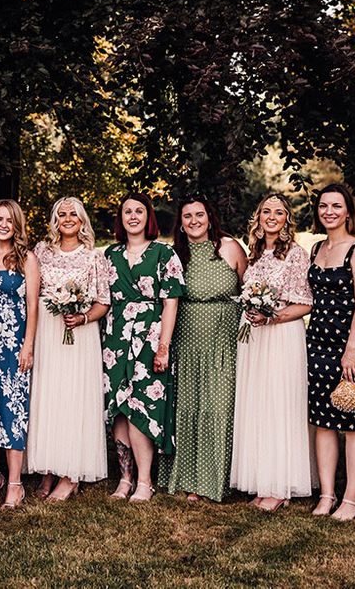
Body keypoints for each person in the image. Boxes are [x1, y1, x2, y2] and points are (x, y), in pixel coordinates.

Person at [158, 194, 247, 503]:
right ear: (180, 224)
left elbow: (249, 291)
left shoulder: (230, 248)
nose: (194, 221)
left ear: (210, 217)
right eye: (187, 216)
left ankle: (217, 479)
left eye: (199, 214)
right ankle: (186, 477)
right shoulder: (174, 255)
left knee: (218, 408)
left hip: (224, 342)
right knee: (187, 407)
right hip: (186, 341)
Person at [230, 193, 315, 511]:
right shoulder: (252, 253)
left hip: (281, 335)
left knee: (279, 404)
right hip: (253, 336)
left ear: (286, 219)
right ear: (258, 216)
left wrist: (271, 317)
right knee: (257, 404)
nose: (271, 217)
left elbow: (305, 303)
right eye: (266, 211)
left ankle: (279, 486)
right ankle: (260, 480)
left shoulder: (295, 253)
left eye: (278, 212)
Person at [102, 192, 185, 502]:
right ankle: (125, 478)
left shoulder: (164, 254)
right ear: (121, 218)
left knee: (142, 408)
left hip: (150, 337)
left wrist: (163, 346)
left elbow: (171, 303)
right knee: (119, 408)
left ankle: (145, 481)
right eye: (127, 212)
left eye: (139, 211)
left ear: (148, 217)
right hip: (115, 338)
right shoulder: (109, 255)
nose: (133, 216)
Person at [27, 197, 110, 501]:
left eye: (73, 214)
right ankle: (49, 466)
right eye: (61, 214)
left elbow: (103, 300)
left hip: (79, 333)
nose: (67, 218)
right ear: (55, 220)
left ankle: (70, 473)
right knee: (48, 397)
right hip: (47, 331)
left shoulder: (93, 257)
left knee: (73, 398)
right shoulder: (41, 251)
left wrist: (84, 317)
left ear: (82, 218)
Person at [307, 184, 355, 521]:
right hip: (316, 342)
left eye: (336, 206)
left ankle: (351, 498)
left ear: (348, 211)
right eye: (323, 206)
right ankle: (326, 494)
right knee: (322, 421)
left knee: (353, 420)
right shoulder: (317, 247)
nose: (329, 212)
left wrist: (351, 351)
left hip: (351, 345)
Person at [0, 199, 40, 509]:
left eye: (9, 220)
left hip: (13, 345)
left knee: (12, 412)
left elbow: (33, 306)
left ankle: (15, 484)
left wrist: (28, 345)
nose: (3, 224)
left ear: (17, 225)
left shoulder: (26, 259)